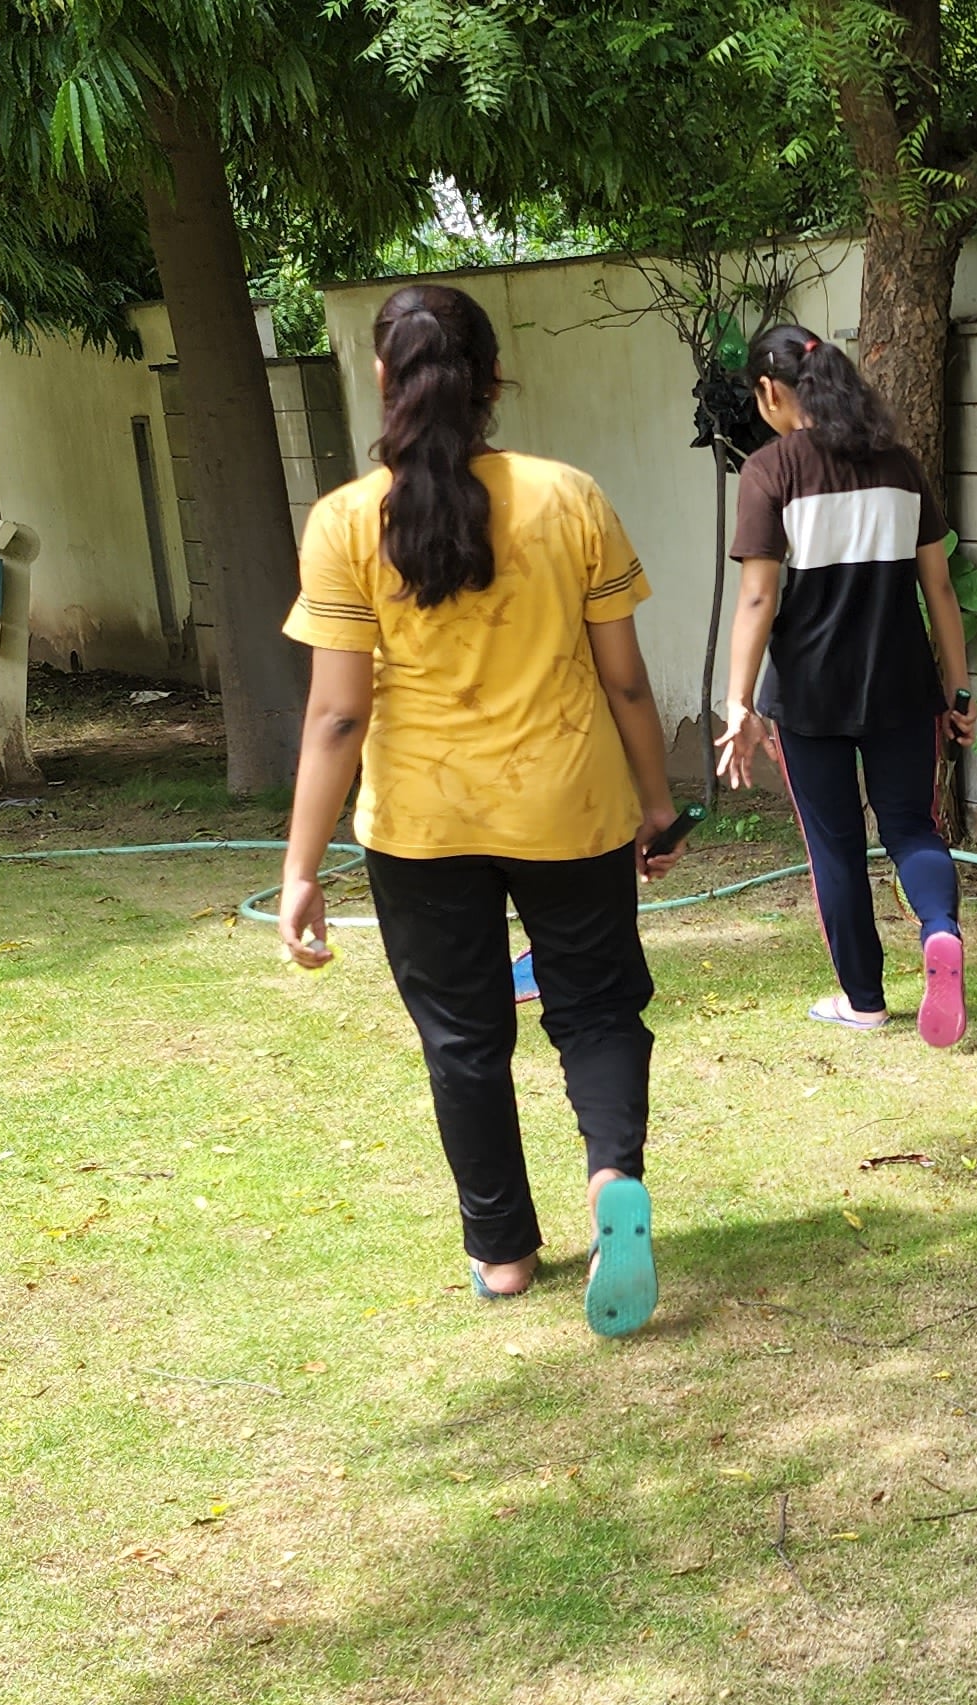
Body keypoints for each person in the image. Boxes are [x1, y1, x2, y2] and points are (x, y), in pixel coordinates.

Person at [273, 282, 683, 1339]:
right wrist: (655, 801)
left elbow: (334, 718)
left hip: (421, 825)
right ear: (493, 379)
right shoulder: (569, 498)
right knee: (593, 1009)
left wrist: (301, 868)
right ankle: (609, 1181)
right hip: (570, 806)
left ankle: (501, 1252)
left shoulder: (344, 523)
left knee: (462, 1037)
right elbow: (627, 682)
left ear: (380, 377)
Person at [710, 323, 977, 1044]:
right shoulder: (900, 465)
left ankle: (863, 1000)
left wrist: (737, 705)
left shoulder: (771, 471)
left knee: (834, 848)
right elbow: (941, 591)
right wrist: (958, 693)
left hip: (809, 696)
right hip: (901, 687)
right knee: (911, 829)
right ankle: (940, 929)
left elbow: (759, 600)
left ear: (770, 391)